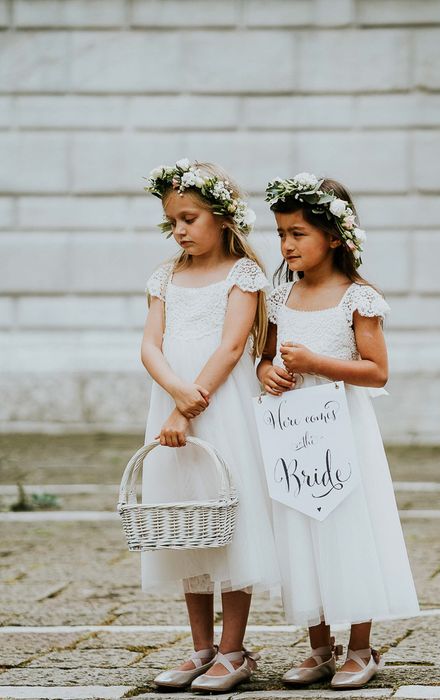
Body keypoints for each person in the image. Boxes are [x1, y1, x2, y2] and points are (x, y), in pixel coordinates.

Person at [257, 172, 420, 690]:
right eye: (281, 233)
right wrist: (270, 372)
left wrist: (318, 363)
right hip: (293, 432)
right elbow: (263, 359)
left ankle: (361, 647)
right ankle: (319, 647)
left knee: (348, 527)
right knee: (303, 528)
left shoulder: (357, 298)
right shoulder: (279, 299)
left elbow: (377, 371)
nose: (286, 244)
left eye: (297, 233)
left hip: (341, 428)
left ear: (333, 236)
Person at [140, 159, 280, 693]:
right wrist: (174, 393)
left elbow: (230, 347)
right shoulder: (165, 276)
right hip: (174, 401)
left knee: (228, 515)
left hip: (219, 408)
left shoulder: (242, 275)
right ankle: (200, 646)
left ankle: (233, 650)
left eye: (188, 218)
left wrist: (187, 405)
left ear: (222, 218)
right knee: (185, 517)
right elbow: (150, 345)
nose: (178, 230)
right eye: (171, 221)